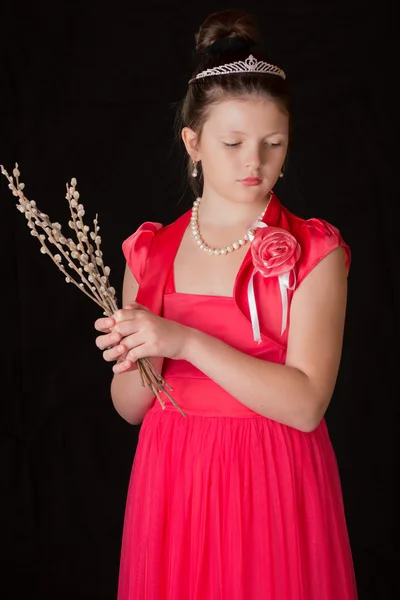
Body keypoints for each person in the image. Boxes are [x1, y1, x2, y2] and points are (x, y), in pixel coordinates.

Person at [94, 9, 358, 600]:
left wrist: (183, 340)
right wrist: (140, 353)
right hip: (173, 482)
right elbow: (130, 407)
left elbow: (307, 404)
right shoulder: (152, 250)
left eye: (274, 143)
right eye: (233, 142)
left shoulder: (314, 250)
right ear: (193, 142)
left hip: (273, 477)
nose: (254, 162)